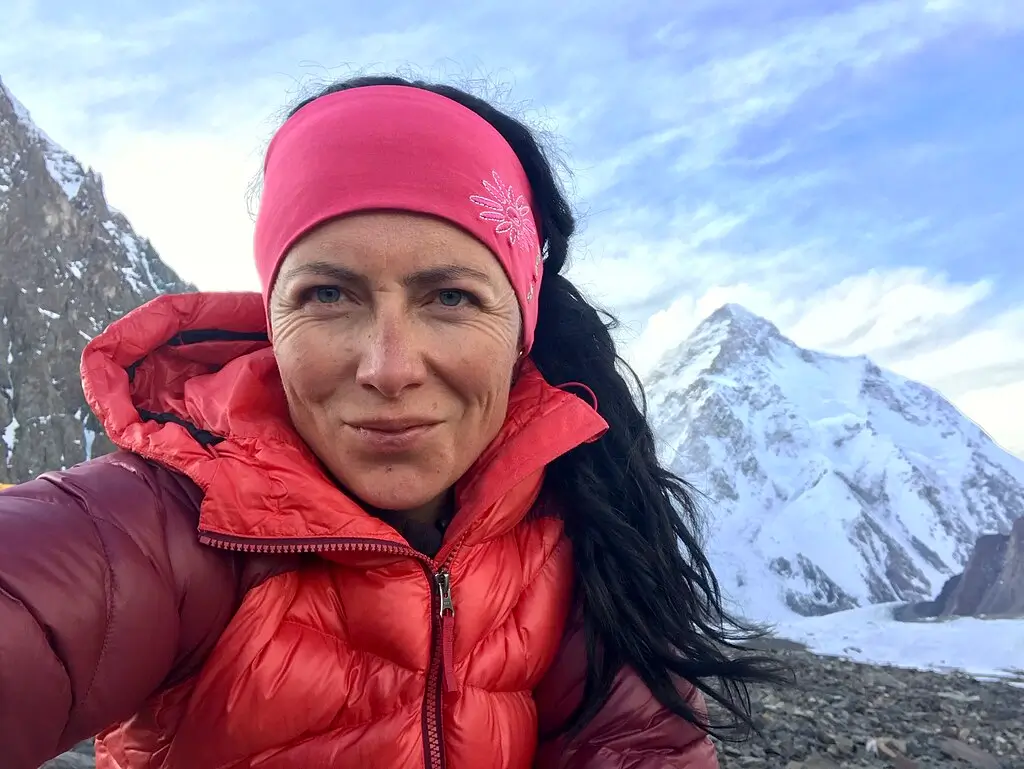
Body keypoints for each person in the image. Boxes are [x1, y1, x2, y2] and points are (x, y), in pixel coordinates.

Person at [0, 76, 782, 769]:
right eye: (329, 295)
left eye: (450, 297)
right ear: (272, 321)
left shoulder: (580, 522)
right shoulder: (167, 525)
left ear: (522, 331)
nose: (388, 366)